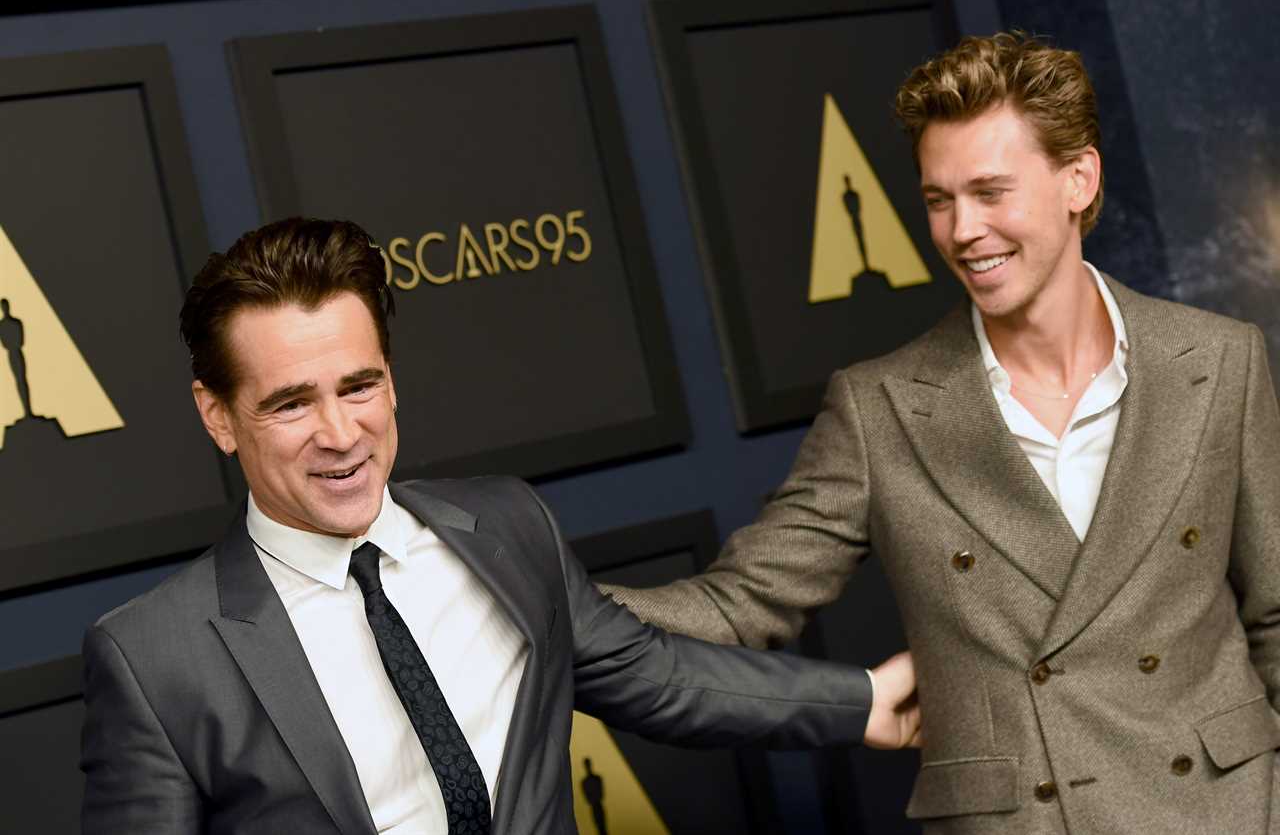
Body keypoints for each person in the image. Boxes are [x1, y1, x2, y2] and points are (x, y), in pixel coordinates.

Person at [606, 32, 1280, 833]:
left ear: (1079, 178)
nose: (962, 231)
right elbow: (735, 605)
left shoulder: (1219, 359)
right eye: (937, 199)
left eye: (991, 192)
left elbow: (1276, 613)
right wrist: (526, 602)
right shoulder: (881, 406)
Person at [79, 218, 920, 835]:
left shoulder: (506, 527)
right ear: (219, 416)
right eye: (292, 402)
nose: (339, 433)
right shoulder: (157, 657)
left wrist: (862, 700)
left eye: (359, 385)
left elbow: (653, 674)